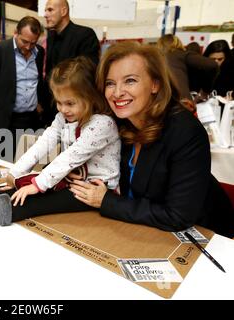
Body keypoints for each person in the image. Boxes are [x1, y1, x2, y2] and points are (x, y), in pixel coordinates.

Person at [68, 41, 234, 238]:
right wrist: (82, 170)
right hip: (141, 228)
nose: (117, 92)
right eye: (110, 83)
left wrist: (106, 201)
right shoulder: (119, 123)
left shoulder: (185, 131)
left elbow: (177, 216)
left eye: (130, 80)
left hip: (206, 237)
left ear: (155, 84)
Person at [0, 56, 121, 231]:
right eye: (58, 102)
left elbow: (68, 158)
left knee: (31, 201)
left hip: (94, 190)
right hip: (72, 180)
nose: (63, 109)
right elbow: (43, 143)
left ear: (91, 97)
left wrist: (37, 184)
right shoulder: (65, 118)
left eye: (70, 103)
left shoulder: (102, 124)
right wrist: (15, 173)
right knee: (16, 184)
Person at [0, 16, 45, 161]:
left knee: (29, 162)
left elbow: (39, 81)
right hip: (6, 119)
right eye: (24, 41)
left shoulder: (39, 52)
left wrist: (40, 103)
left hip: (32, 119)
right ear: (15, 33)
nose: (28, 47)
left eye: (32, 43)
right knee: (4, 161)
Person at [43, 0, 100, 125]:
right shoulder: (51, 37)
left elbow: (88, 76)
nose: (45, 14)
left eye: (50, 10)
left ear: (64, 11)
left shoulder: (85, 35)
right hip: (54, 111)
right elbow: (49, 72)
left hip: (78, 114)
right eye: (45, 10)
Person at [156, 34, 217, 103]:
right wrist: (205, 91)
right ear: (178, 43)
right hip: (182, 103)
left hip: (161, 104)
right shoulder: (181, 54)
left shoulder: (156, 60)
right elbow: (212, 65)